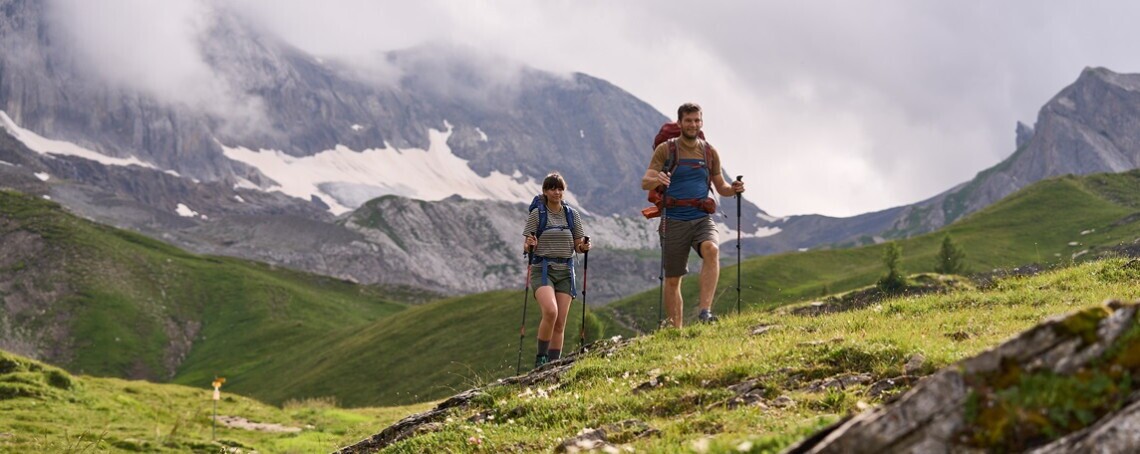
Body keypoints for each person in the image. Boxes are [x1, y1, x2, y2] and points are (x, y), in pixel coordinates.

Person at [641, 102, 745, 328]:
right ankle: (675, 329)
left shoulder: (709, 152)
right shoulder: (666, 150)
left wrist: (734, 189)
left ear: (702, 122)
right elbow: (645, 181)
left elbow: (721, 187)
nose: (693, 124)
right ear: (679, 123)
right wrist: (657, 178)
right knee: (673, 279)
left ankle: (705, 312)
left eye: (697, 120)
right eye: (688, 120)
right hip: (673, 219)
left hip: (701, 217)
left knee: (712, 249)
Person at [523, 172, 590, 368]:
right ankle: (541, 358)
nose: (557, 192)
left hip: (566, 272)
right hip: (542, 270)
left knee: (560, 322)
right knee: (551, 312)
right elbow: (526, 245)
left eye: (560, 188)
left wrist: (584, 247)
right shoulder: (537, 214)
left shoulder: (572, 215)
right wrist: (530, 244)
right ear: (545, 191)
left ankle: (554, 364)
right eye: (552, 188)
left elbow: (578, 246)